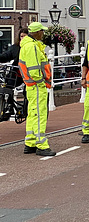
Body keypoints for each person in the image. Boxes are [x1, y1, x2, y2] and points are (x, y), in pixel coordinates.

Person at [18, 22, 55, 156]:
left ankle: (30, 142)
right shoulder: (32, 46)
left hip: (31, 86)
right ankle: (42, 145)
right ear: (37, 32)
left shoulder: (27, 45)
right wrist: (41, 82)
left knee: (32, 113)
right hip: (37, 85)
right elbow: (34, 69)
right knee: (40, 114)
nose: (43, 34)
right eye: (42, 31)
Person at [0, 28, 28, 121]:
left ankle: (26, 109)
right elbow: (6, 56)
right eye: (21, 36)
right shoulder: (15, 47)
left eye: (24, 36)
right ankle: (9, 107)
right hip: (17, 74)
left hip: (28, 75)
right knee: (7, 86)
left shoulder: (31, 47)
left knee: (27, 92)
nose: (22, 38)